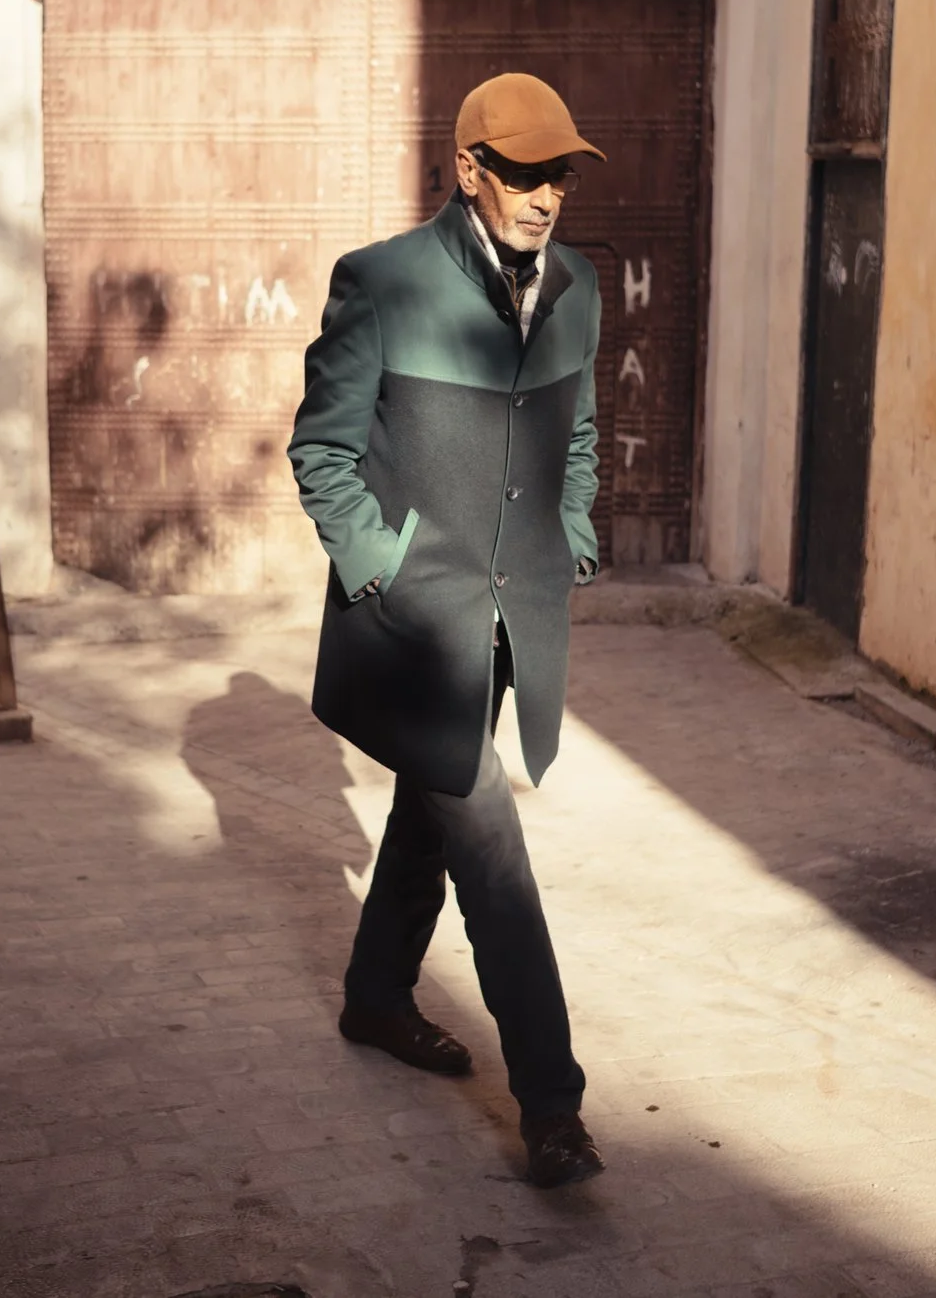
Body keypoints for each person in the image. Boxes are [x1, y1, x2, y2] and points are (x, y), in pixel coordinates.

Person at [288, 71, 608, 1189]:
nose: (546, 195)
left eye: (559, 172)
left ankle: (374, 1001)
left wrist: (571, 524)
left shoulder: (575, 288)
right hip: (414, 636)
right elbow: (320, 451)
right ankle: (554, 1107)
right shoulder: (380, 281)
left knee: (427, 822)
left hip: (512, 625)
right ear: (468, 167)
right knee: (491, 850)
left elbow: (576, 432)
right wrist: (380, 568)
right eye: (523, 172)